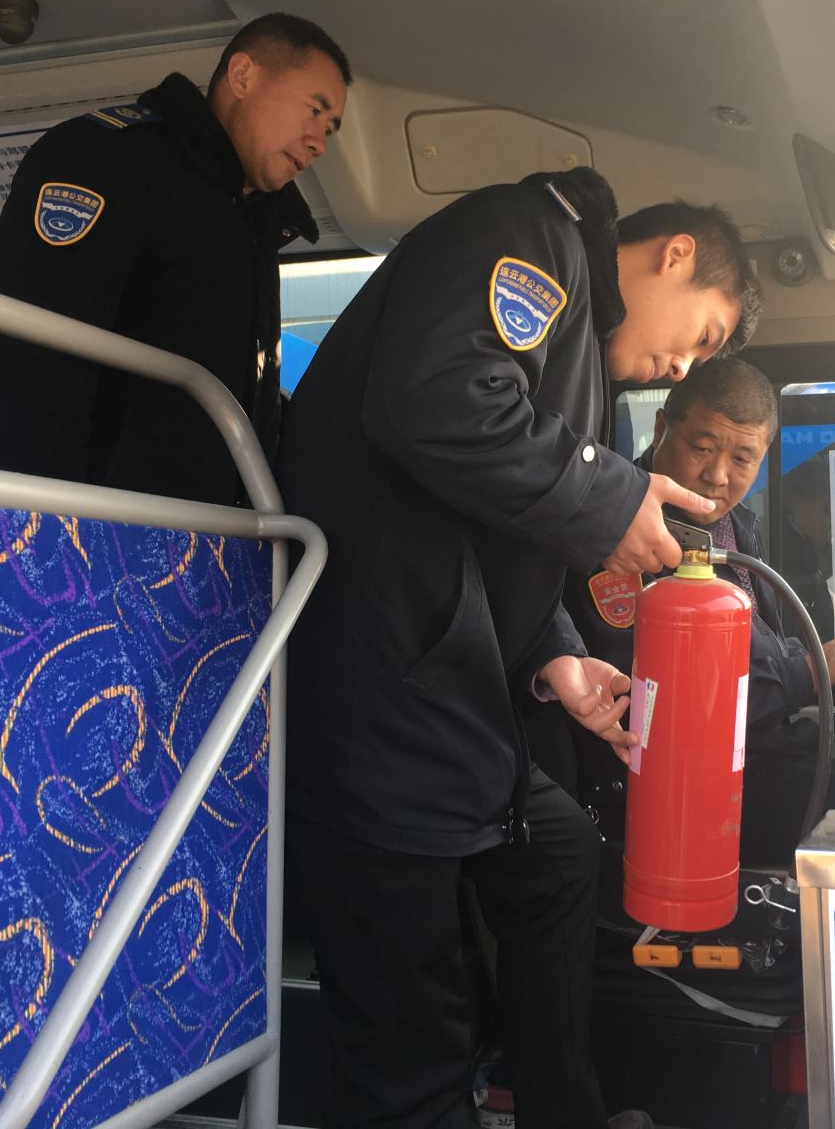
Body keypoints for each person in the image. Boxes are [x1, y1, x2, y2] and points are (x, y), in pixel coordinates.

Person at [278, 176, 761, 1127]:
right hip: (378, 705)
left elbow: (498, 533)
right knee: (409, 1039)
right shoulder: (533, 243)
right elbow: (436, 401)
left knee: (563, 857)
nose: (681, 367)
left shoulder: (582, 364)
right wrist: (610, 498)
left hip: (452, 704)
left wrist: (557, 657)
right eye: (701, 336)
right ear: (675, 257)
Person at [0, 13, 350, 503]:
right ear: (243, 76)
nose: (319, 142)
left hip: (216, 529)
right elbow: (24, 362)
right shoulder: (107, 159)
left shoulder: (252, 223)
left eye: (329, 129)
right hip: (113, 526)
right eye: (314, 110)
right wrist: (41, 522)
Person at [529, 358, 835, 864]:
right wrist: (804, 673)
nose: (717, 476)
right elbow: (654, 697)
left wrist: (830, 662)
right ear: (661, 429)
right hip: (670, 784)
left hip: (755, 748)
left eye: (743, 458)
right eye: (701, 448)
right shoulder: (619, 528)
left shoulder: (739, 526)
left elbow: (751, 640)